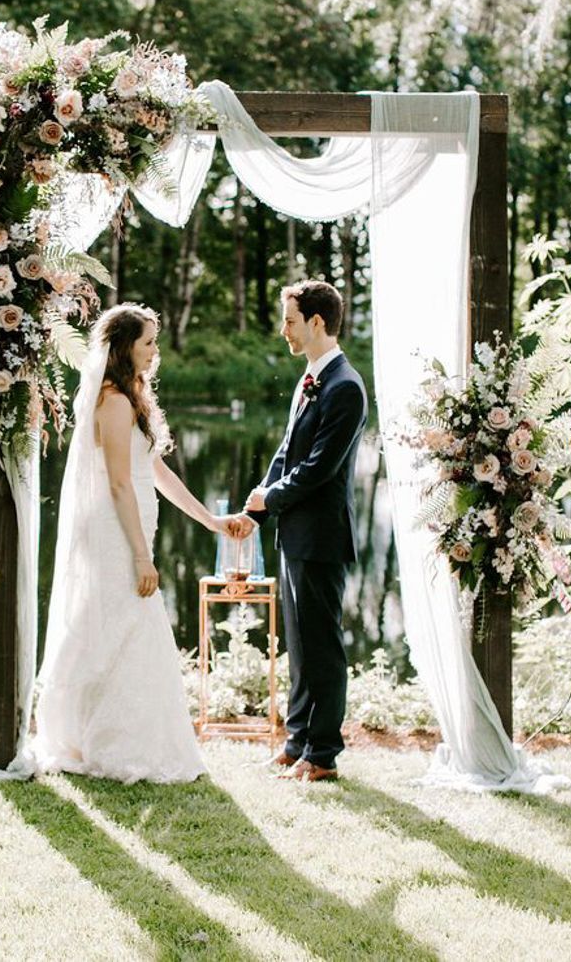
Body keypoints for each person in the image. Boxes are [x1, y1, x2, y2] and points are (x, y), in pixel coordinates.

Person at [35, 303, 240, 783]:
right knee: (116, 624)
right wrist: (141, 555)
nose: (155, 351)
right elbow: (119, 484)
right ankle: (106, 742)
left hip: (131, 529)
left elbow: (155, 471)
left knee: (124, 625)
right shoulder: (113, 400)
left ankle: (120, 737)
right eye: (148, 342)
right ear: (124, 347)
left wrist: (210, 520)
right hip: (114, 533)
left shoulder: (133, 396)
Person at [237, 280, 367, 782]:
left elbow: (319, 468)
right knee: (299, 643)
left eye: (289, 320)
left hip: (322, 537)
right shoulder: (309, 379)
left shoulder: (345, 387)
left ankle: (324, 752)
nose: (283, 330)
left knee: (322, 647)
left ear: (316, 323)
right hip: (294, 531)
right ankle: (297, 740)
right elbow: (287, 455)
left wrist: (272, 496)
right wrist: (258, 506)